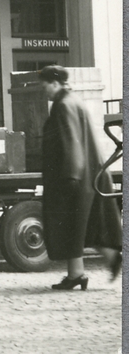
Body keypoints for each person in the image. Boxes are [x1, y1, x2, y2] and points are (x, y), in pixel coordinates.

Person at [38, 65, 122, 290]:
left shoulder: (63, 105)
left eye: (45, 86)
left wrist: (70, 177)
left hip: (73, 176)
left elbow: (71, 141)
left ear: (55, 83)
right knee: (81, 226)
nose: (44, 91)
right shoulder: (73, 101)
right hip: (86, 175)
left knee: (71, 226)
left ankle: (79, 274)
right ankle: (88, 269)